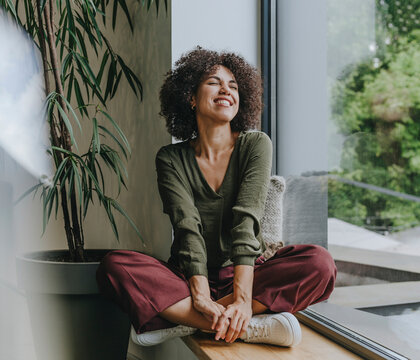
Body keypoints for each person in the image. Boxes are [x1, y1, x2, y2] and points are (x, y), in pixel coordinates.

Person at [96, 47, 337, 348]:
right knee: (114, 265)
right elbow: (187, 228)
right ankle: (246, 328)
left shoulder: (255, 145)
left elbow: (245, 221)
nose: (226, 89)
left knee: (320, 263)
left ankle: (184, 321)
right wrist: (199, 294)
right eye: (214, 82)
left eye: (233, 85)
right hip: (187, 277)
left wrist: (244, 300)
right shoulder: (170, 158)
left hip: (247, 272)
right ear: (191, 97)